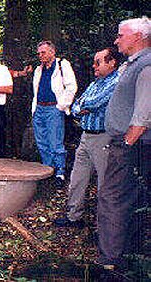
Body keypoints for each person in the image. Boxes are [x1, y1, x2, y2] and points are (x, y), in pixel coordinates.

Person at [98, 16, 150, 270]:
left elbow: (143, 114)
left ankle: (110, 262)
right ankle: (126, 254)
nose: (117, 40)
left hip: (133, 144)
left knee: (112, 198)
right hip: (131, 143)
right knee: (128, 198)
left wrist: (126, 144)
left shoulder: (146, 64)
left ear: (138, 37)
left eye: (121, 35)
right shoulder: (133, 64)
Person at [54, 48, 121, 228]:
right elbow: (76, 106)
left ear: (112, 62)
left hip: (103, 138)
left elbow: (94, 102)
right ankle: (74, 216)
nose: (94, 66)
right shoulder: (95, 83)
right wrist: (81, 106)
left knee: (104, 183)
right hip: (86, 136)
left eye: (98, 62)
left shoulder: (116, 81)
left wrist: (83, 105)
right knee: (77, 178)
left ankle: (105, 226)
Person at [32, 40, 77, 185]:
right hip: (39, 108)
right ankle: (48, 169)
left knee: (55, 141)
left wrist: (61, 105)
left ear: (52, 52)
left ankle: (60, 172)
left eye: (43, 52)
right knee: (41, 141)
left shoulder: (62, 65)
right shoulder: (39, 69)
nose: (40, 55)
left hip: (53, 108)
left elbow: (71, 87)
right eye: (39, 53)